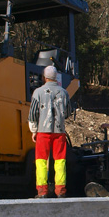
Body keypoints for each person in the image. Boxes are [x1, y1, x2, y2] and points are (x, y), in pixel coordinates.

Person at [28, 65, 72, 198]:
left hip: (43, 131)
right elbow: (68, 112)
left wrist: (34, 130)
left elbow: (33, 114)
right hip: (59, 132)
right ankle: (61, 191)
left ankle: (42, 191)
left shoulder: (38, 92)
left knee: (41, 160)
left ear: (44, 77)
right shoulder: (64, 92)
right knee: (60, 161)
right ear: (56, 77)